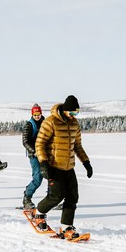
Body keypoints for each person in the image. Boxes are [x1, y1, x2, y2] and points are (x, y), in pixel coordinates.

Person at [33, 95, 93, 239]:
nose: (74, 116)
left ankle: (66, 227)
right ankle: (38, 213)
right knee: (56, 196)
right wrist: (43, 163)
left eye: (76, 113)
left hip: (68, 167)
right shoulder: (50, 122)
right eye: (72, 113)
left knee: (73, 196)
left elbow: (77, 146)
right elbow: (40, 143)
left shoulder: (74, 124)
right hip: (54, 166)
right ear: (65, 110)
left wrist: (86, 162)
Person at [21, 104, 45, 209]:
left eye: (38, 114)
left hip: (45, 154)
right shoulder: (29, 125)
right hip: (34, 155)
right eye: (35, 114)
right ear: (32, 114)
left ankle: (52, 198)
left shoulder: (45, 123)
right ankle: (27, 197)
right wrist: (34, 151)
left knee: (51, 176)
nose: (37, 116)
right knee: (37, 178)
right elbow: (25, 141)